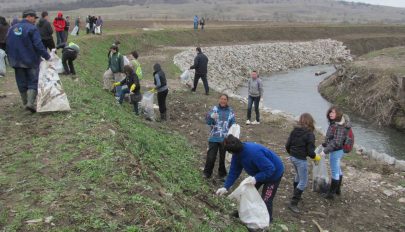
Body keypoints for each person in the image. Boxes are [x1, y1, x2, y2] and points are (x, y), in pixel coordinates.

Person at [216, 135, 284, 224]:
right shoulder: (237, 154)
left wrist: (256, 178)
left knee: (266, 199)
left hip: (274, 174)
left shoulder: (254, 153)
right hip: (259, 173)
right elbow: (234, 172)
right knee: (246, 193)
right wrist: (225, 187)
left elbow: (270, 169)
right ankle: (242, 213)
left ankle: (267, 221)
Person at [6, 9, 50, 113]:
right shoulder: (32, 28)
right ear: (29, 17)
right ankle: (30, 104)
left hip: (16, 60)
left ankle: (25, 103)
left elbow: (7, 44)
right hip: (30, 59)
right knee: (33, 81)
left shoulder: (12, 28)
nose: (35, 20)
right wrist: (47, 56)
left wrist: (10, 58)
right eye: (34, 18)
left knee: (21, 82)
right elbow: (38, 45)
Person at [285, 113, 320, 213]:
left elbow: (287, 145)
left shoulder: (294, 131)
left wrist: (292, 153)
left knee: (298, 176)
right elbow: (310, 152)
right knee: (303, 181)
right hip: (301, 160)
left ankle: (295, 194)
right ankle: (293, 203)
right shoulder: (310, 134)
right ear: (311, 122)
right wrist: (315, 157)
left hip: (293, 157)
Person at [321, 106, 351, 199]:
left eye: (333, 112)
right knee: (337, 168)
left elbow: (337, 142)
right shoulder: (336, 123)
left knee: (334, 171)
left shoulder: (340, 126)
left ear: (338, 114)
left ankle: (331, 194)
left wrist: (325, 151)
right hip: (339, 150)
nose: (330, 114)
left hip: (336, 151)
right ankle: (337, 190)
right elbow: (331, 137)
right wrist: (325, 144)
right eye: (330, 112)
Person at [204, 94, 235, 179]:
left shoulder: (231, 111)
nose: (223, 101)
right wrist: (211, 117)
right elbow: (207, 121)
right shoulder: (214, 109)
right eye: (221, 99)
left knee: (223, 158)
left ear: (227, 101)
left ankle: (222, 174)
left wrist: (232, 136)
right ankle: (207, 173)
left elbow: (233, 124)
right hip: (213, 137)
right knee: (211, 157)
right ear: (219, 100)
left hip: (225, 139)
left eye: (225, 99)